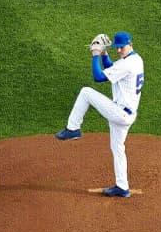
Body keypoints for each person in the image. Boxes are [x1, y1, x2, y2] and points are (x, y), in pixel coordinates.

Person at [55, 31, 145, 197]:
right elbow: (113, 69)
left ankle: (73, 128)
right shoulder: (136, 60)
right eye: (116, 48)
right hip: (126, 114)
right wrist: (104, 54)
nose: (118, 51)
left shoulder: (127, 64)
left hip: (120, 113)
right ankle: (122, 187)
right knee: (118, 148)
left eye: (121, 48)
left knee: (86, 92)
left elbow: (98, 77)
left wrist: (95, 55)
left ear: (130, 43)